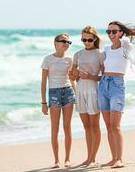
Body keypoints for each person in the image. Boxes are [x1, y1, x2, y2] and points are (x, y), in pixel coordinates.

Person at [98, 21, 135, 168]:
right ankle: (113, 158)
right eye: (108, 32)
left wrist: (123, 37)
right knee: (108, 126)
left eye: (114, 31)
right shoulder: (106, 48)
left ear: (121, 33)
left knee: (116, 125)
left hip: (117, 85)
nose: (111, 34)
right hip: (103, 85)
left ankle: (119, 159)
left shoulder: (126, 47)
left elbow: (126, 41)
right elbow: (101, 67)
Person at [70, 26, 104, 167]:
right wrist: (74, 74)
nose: (86, 42)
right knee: (86, 127)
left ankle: (93, 158)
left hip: (93, 91)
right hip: (80, 91)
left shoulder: (100, 54)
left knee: (95, 126)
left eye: (89, 39)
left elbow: (104, 76)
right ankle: (88, 158)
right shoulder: (77, 54)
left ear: (95, 39)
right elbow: (71, 75)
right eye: (84, 40)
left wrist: (90, 76)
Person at [41, 33, 76, 168]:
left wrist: (77, 95)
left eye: (68, 42)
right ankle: (56, 160)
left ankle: (67, 159)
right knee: (54, 129)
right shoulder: (48, 59)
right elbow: (43, 83)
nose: (66, 44)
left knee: (67, 127)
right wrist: (44, 103)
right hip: (54, 94)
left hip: (68, 92)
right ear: (55, 43)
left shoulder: (70, 59)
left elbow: (72, 79)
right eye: (63, 41)